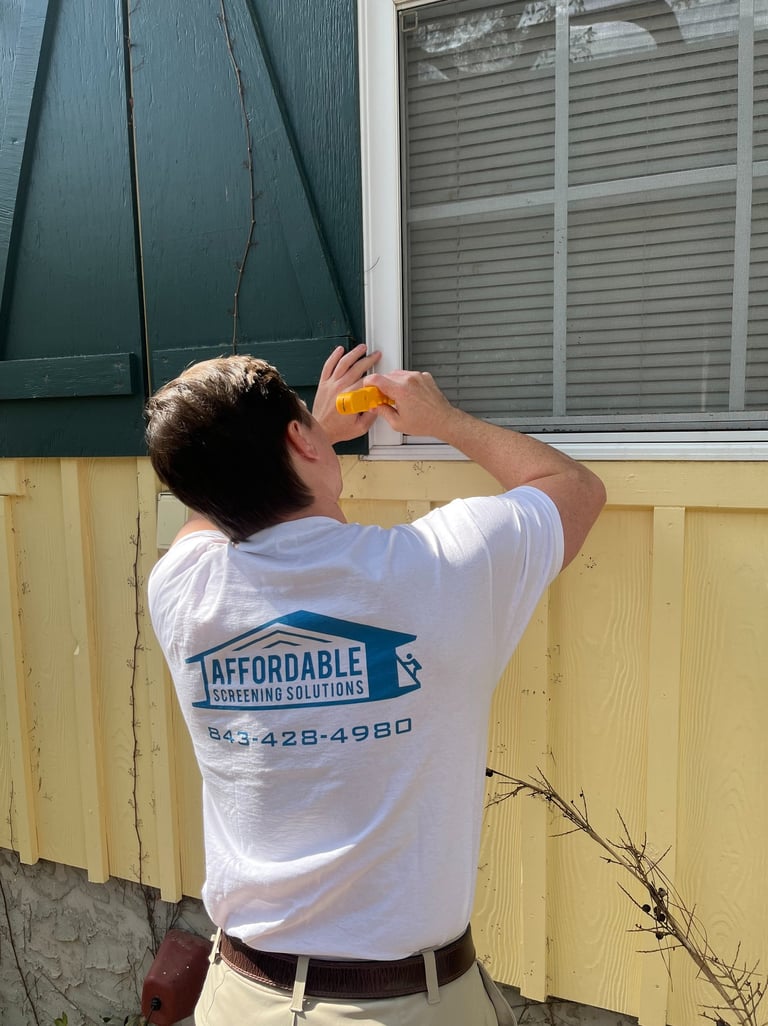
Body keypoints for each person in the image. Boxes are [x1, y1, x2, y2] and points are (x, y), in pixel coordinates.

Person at [145, 343, 606, 1026]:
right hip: (401, 1007)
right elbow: (573, 488)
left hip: (239, 996)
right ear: (297, 440)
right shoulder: (441, 567)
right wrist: (442, 419)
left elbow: (207, 512)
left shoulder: (183, 591)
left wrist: (309, 436)